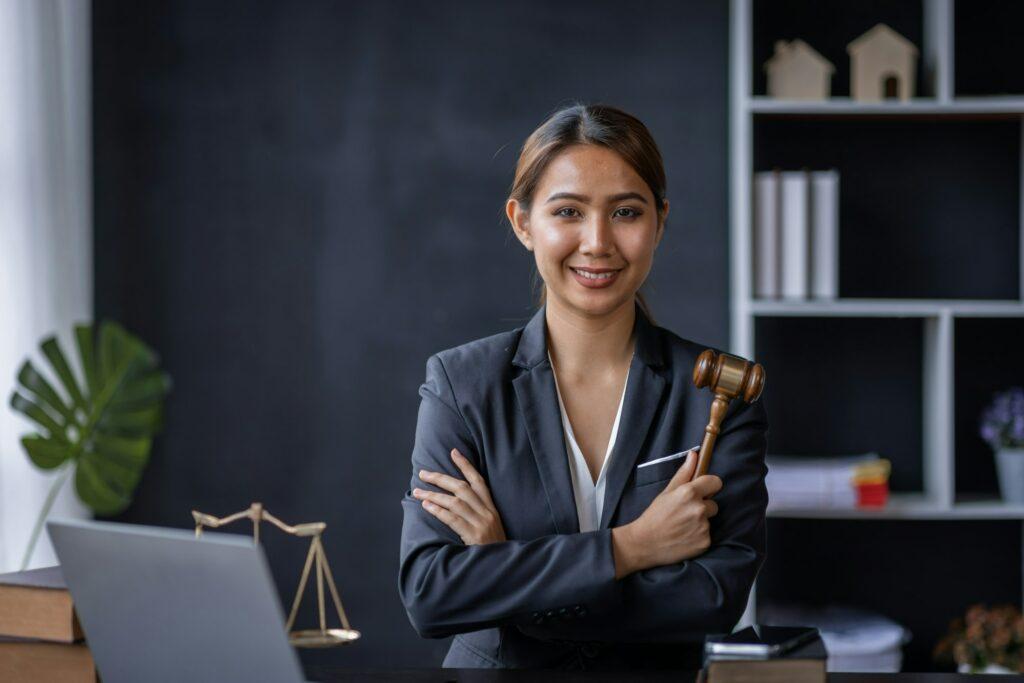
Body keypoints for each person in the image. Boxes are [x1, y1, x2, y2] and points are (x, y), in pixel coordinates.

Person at [397, 103, 768, 670]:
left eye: (625, 212)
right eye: (568, 211)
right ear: (523, 223)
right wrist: (633, 548)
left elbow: (713, 598)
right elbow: (430, 594)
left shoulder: (717, 392)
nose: (597, 242)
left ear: (660, 222)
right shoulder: (462, 385)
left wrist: (505, 572)